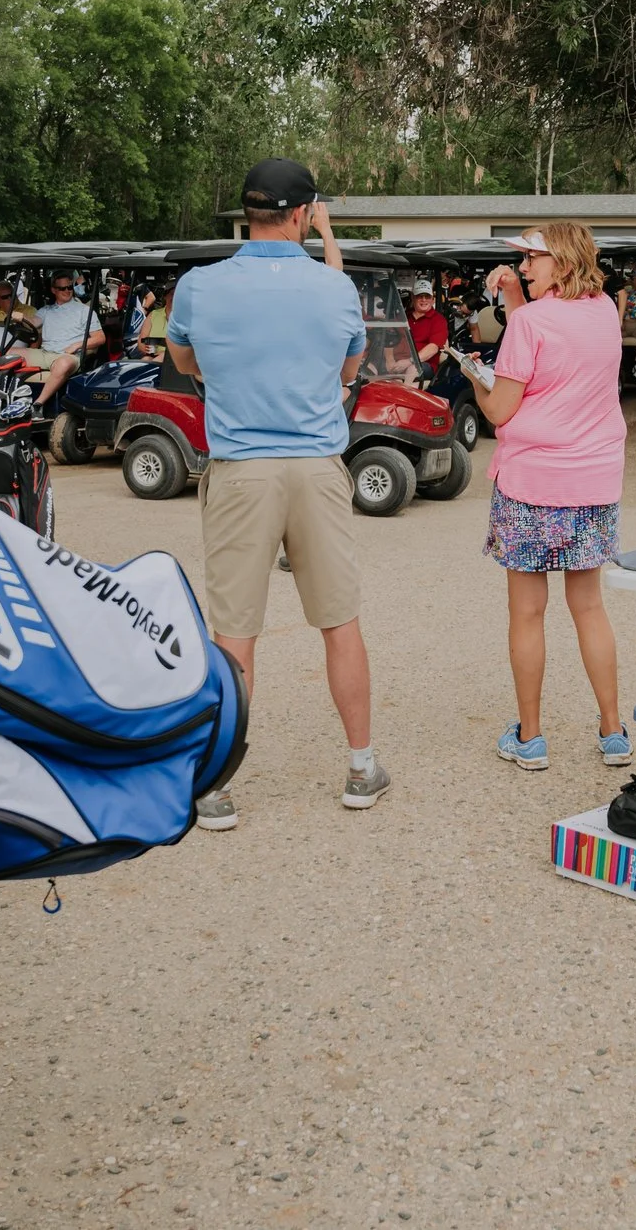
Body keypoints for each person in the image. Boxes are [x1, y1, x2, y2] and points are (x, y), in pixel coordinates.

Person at [168, 158, 388, 830]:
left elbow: (185, 361)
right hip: (316, 466)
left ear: (249, 213)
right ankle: (361, 767)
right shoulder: (333, 287)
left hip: (241, 468)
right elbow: (348, 369)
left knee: (235, 631)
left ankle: (215, 786)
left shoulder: (199, 285)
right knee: (340, 622)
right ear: (301, 214)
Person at [469, 225, 632, 769]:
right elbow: (550, 338)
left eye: (531, 259)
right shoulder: (604, 311)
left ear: (560, 262)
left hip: (532, 485)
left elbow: (500, 409)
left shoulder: (531, 323)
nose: (523, 266)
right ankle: (613, 731)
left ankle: (531, 737)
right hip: (593, 481)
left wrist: (476, 377)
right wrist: (518, 298)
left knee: (527, 613)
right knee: (589, 607)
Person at [29, 269, 105, 409]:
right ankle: (2, 400)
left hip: (69, 355)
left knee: (63, 364)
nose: (67, 291)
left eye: (69, 287)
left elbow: (100, 338)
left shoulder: (84, 311)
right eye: (62, 288)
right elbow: (33, 323)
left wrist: (76, 345)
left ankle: (38, 405)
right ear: (53, 290)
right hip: (45, 353)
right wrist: (20, 318)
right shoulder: (46, 310)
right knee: (8, 353)